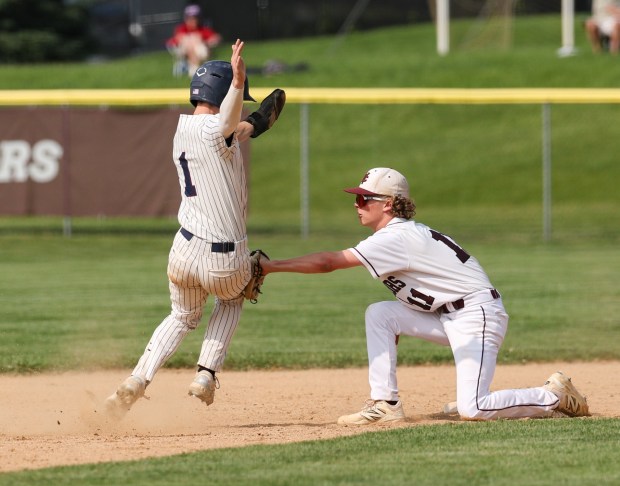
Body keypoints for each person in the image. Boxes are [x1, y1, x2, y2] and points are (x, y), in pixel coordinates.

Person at [259, 167, 590, 425]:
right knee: (380, 314)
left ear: (388, 203)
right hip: (449, 316)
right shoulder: (398, 234)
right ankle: (385, 404)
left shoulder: (395, 237)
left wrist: (269, 267)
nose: (357, 204)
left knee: (474, 409)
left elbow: (328, 262)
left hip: (477, 315)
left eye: (364, 199)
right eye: (357, 198)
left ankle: (553, 396)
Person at [104, 40, 279, 419]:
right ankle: (205, 374)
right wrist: (238, 83)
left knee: (181, 317)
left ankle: (137, 379)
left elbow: (234, 129)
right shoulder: (220, 129)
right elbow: (229, 123)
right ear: (222, 95)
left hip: (182, 250)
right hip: (224, 255)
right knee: (231, 299)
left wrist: (257, 121)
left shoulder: (183, 130)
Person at [166, 4, 222, 76]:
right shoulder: (182, 28)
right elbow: (178, 39)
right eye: (190, 18)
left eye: (195, 18)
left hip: (201, 51)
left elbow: (217, 38)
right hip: (181, 50)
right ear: (186, 18)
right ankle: (194, 68)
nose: (193, 20)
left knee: (197, 43)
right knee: (191, 40)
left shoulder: (203, 29)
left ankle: (194, 68)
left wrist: (205, 42)